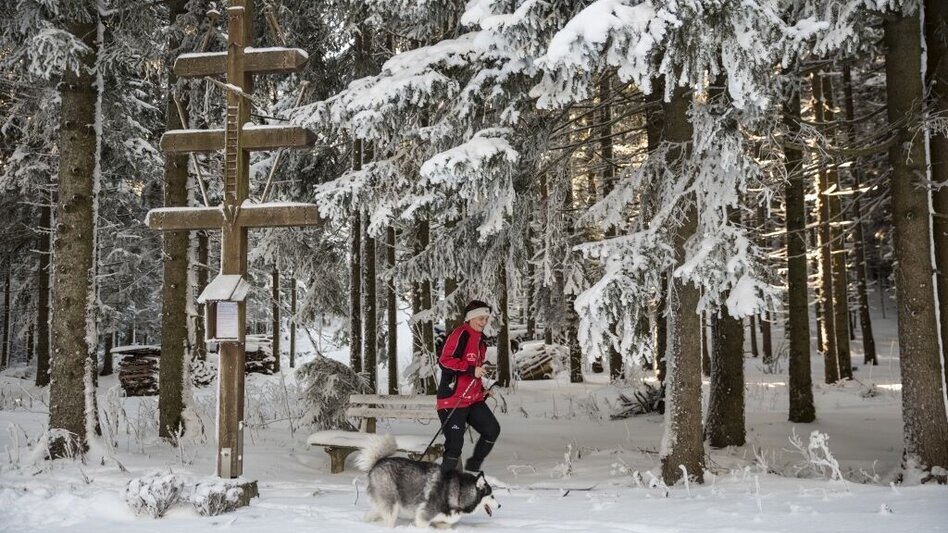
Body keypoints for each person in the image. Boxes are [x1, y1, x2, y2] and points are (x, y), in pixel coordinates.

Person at [436, 300, 501, 473]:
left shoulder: (481, 342)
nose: (484, 322)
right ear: (471, 318)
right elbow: (445, 361)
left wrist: (482, 390)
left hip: (472, 400)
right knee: (455, 446)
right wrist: (471, 369)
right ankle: (444, 485)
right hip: (453, 399)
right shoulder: (460, 334)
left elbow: (475, 372)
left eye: (486, 319)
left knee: (492, 430)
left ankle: (472, 472)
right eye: (480, 318)